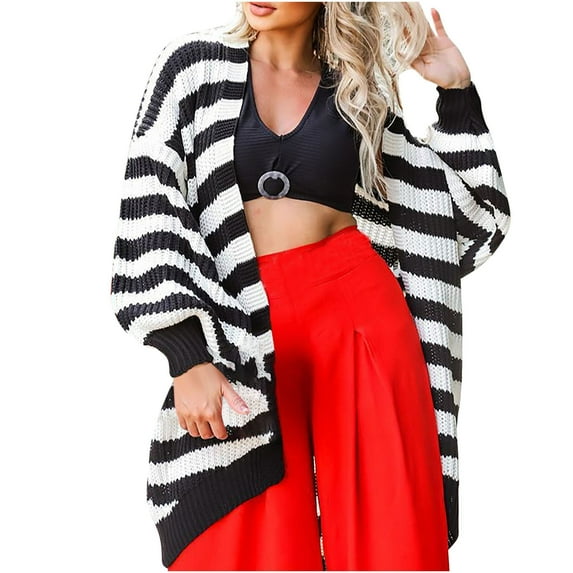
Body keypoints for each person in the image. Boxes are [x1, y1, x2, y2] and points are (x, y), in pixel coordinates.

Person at [110, 1, 510, 570]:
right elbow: (151, 202)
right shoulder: (191, 68)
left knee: (387, 532)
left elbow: (466, 224)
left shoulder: (357, 95)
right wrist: (186, 353)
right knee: (240, 537)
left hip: (360, 319)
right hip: (243, 332)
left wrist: (457, 93)